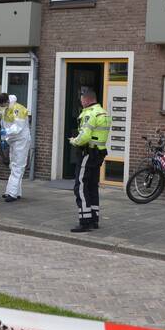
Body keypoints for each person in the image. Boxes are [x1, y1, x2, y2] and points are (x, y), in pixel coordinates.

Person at [68, 87, 111, 233]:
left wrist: (74, 141)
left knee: (80, 186)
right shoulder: (103, 112)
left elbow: (85, 136)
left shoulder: (89, 114)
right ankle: (94, 219)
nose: (81, 101)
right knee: (92, 186)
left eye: (81, 99)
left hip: (87, 153)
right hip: (98, 154)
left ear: (86, 99)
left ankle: (85, 221)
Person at [0, 93, 31, 203]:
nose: (2, 108)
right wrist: (3, 138)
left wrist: (5, 133)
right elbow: (3, 124)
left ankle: (12, 193)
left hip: (21, 140)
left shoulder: (18, 109)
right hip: (12, 140)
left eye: (3, 105)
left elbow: (18, 127)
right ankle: (14, 192)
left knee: (18, 166)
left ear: (7, 101)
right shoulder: (4, 108)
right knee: (13, 165)